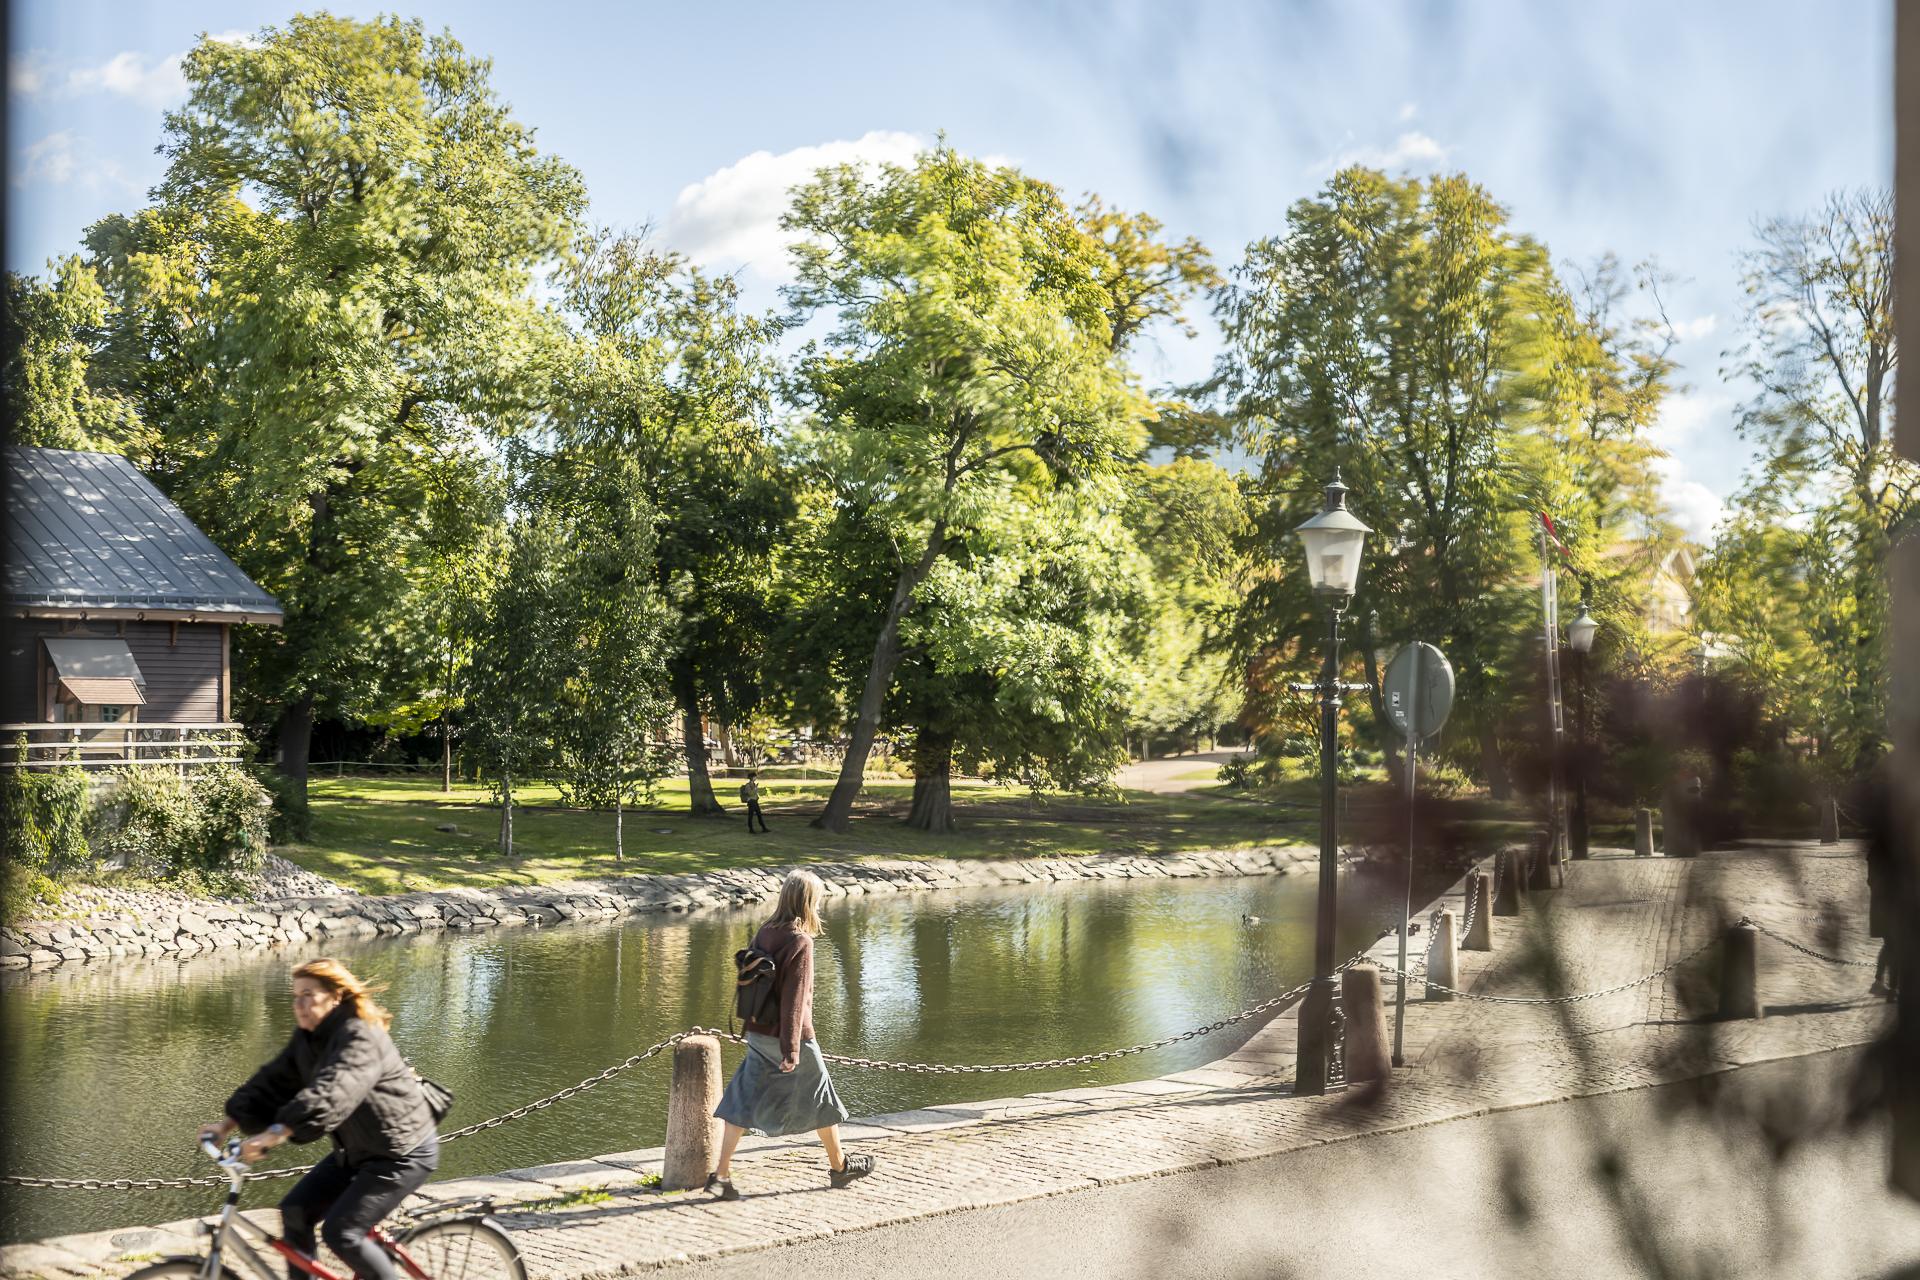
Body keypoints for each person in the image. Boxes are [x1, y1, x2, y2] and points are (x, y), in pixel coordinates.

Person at [200, 959, 439, 1280]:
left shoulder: (359, 1037)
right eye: (295, 995)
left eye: (308, 994)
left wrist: (275, 1134)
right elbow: (272, 1080)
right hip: (356, 1151)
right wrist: (226, 1124)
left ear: (336, 997)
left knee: (342, 1233)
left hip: (401, 1153)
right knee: (295, 1211)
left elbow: (333, 1092)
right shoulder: (310, 1037)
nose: (298, 1004)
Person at [707, 870, 874, 1200]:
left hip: (757, 1032)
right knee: (823, 1099)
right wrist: (792, 1050)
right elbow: (795, 1000)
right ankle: (840, 1169)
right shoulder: (800, 941)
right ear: (808, 901)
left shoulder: (765, 932)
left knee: (741, 1103)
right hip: (791, 1038)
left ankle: (720, 1176)